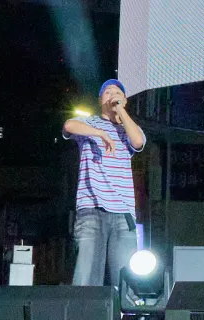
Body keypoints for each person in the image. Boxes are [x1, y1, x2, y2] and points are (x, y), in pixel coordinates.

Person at [63, 79, 147, 285]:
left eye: (117, 93)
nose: (112, 95)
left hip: (123, 213)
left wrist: (121, 111)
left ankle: (122, 309)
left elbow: (138, 141)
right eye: (108, 92)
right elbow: (68, 125)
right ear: (101, 100)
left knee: (126, 281)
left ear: (124, 100)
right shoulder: (90, 123)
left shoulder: (128, 129)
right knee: (86, 278)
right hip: (91, 209)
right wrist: (100, 133)